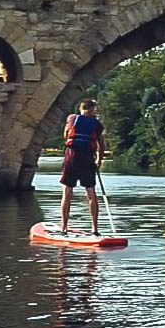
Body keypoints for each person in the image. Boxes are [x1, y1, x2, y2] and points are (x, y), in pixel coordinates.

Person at [58, 99, 107, 234]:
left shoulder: (72, 118)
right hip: (87, 158)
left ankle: (64, 227)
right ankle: (95, 229)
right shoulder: (96, 124)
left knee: (67, 192)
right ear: (91, 109)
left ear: (81, 108)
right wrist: (99, 160)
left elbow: (66, 134)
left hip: (71, 157)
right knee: (91, 193)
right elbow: (101, 145)